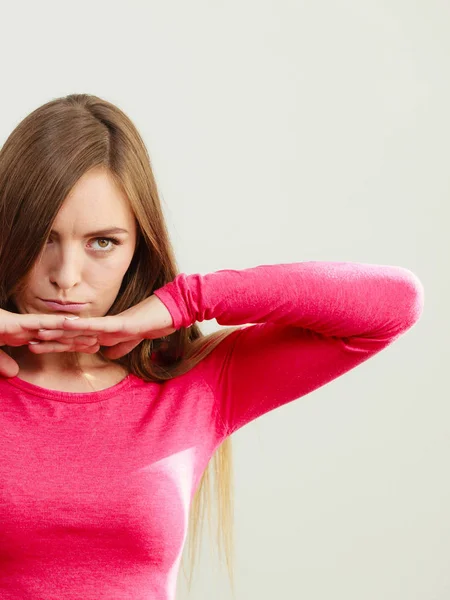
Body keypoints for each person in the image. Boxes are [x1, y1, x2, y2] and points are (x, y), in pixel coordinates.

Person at [0, 93, 424, 600]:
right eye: (43, 237)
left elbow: (394, 303)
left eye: (103, 242)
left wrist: (188, 300)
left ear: (139, 247)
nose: (66, 278)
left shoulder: (192, 382)